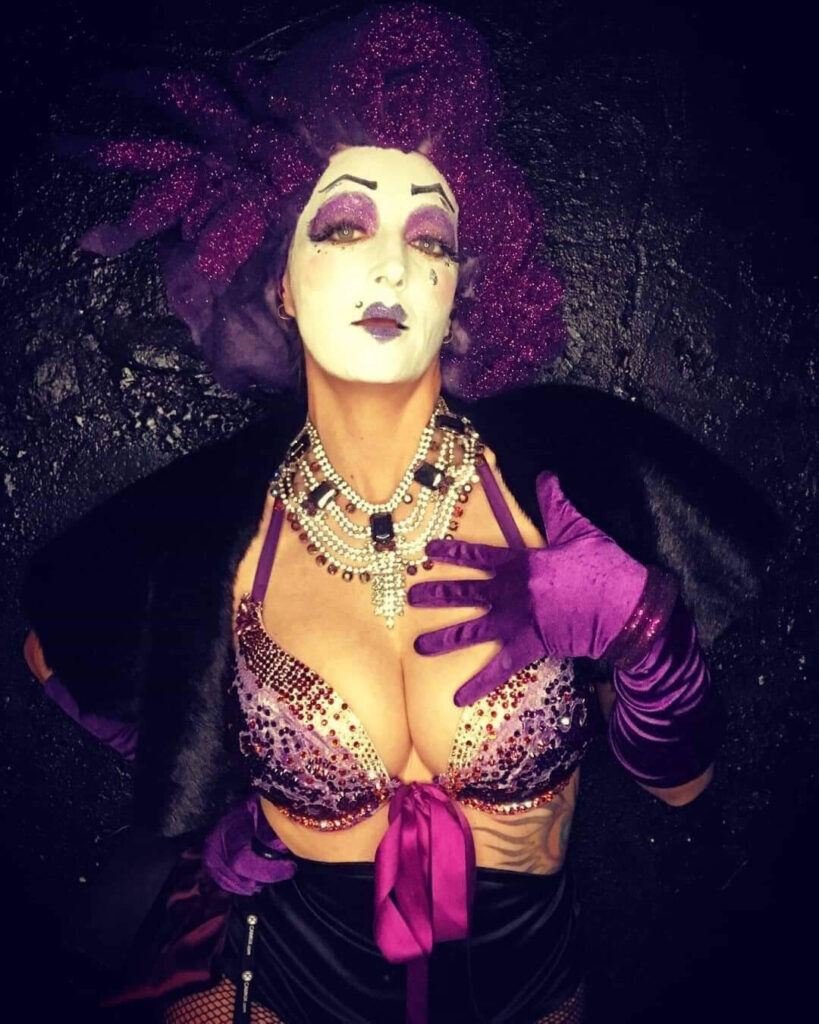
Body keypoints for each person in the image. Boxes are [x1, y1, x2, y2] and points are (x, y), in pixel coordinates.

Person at [20, 5, 779, 1023]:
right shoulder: (216, 525)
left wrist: (645, 629)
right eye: (344, 227)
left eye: (431, 239)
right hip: (283, 984)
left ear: (461, 287)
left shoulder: (567, 480)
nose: (391, 267)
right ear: (281, 282)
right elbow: (54, 654)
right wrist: (223, 789)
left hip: (530, 991)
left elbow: (684, 786)